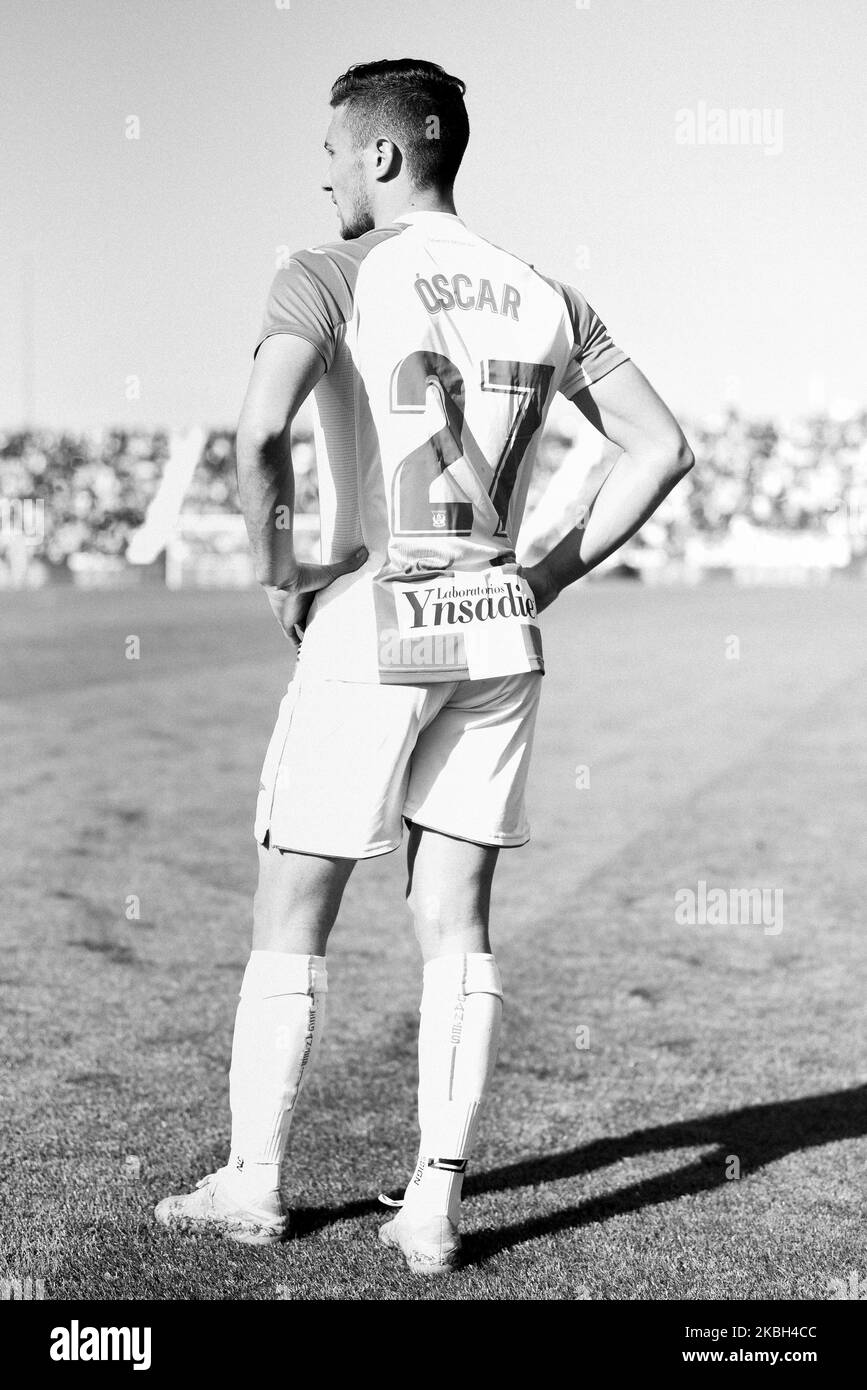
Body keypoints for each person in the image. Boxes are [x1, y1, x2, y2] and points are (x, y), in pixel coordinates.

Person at [155, 58, 693, 1275]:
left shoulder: (328, 272)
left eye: (335, 148)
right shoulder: (550, 293)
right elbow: (661, 450)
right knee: (457, 917)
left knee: (295, 899)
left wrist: (286, 572)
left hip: (378, 617)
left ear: (388, 154)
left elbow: (256, 434)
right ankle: (435, 1205)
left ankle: (252, 1182)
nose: (326, 169)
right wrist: (542, 574)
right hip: (500, 626)